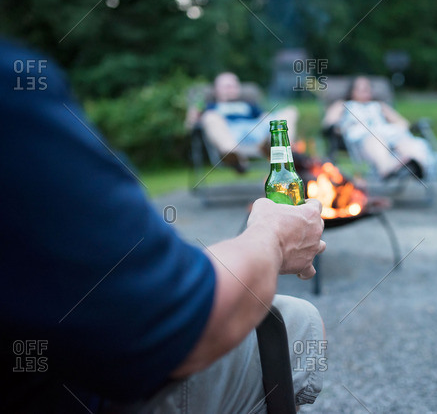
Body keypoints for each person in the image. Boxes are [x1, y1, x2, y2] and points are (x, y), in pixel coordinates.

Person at [1, 38, 326, 412]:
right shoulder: (10, 92)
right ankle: (241, 154)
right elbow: (182, 327)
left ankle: (260, 146)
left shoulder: (252, 105)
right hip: (78, 394)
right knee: (297, 321)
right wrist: (273, 237)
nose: (230, 89)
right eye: (224, 85)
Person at [322, 75, 433, 180]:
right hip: (362, 138)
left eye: (367, 88)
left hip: (388, 135)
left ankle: (417, 165)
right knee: (375, 139)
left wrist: (397, 128)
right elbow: (329, 123)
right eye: (360, 88)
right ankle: (388, 168)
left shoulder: (379, 105)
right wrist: (341, 129)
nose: (364, 90)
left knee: (406, 142)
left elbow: (403, 123)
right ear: (352, 90)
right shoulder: (342, 105)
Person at [188, 72, 299, 172]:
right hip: (231, 134)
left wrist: (268, 118)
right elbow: (190, 125)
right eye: (226, 86)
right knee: (209, 117)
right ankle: (233, 155)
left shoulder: (249, 105)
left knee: (290, 111)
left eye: (234, 86)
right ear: (216, 89)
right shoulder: (210, 107)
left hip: (258, 132)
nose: (231, 89)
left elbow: (264, 116)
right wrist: (193, 116)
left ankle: (276, 146)